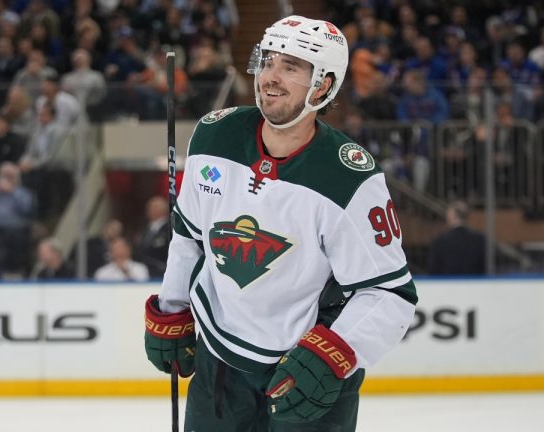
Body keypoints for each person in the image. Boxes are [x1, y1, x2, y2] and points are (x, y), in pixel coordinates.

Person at [143, 16, 417, 431]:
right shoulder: (215, 136)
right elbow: (190, 236)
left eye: (290, 67)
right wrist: (172, 306)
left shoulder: (350, 178)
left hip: (304, 373)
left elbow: (389, 291)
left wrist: (336, 352)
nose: (271, 76)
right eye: (267, 61)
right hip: (219, 363)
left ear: (323, 85)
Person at [427, 201, 486, 275]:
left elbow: (433, 270)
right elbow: (483, 267)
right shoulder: (479, 239)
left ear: (452, 216)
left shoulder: (440, 241)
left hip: (446, 283)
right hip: (473, 283)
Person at [136, 196, 169, 278]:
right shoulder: (146, 229)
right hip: (145, 272)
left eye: (154, 207)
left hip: (163, 273)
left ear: (164, 209)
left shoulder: (171, 228)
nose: (150, 210)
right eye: (149, 207)